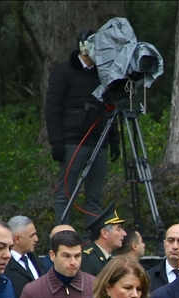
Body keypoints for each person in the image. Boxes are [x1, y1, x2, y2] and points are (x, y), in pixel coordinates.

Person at [48, 28, 117, 226]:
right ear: (83, 47)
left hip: (99, 142)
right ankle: (62, 236)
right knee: (65, 194)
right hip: (73, 141)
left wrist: (114, 141)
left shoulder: (104, 75)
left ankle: (91, 242)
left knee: (94, 198)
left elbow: (110, 108)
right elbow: (53, 109)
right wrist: (57, 143)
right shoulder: (63, 72)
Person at [80, 204, 127, 277]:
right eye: (118, 229)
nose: (124, 233)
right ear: (105, 233)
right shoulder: (88, 260)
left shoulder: (106, 257)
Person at [5, 216, 44, 298]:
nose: (36, 239)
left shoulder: (37, 261)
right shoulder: (4, 266)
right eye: (32, 236)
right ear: (17, 239)